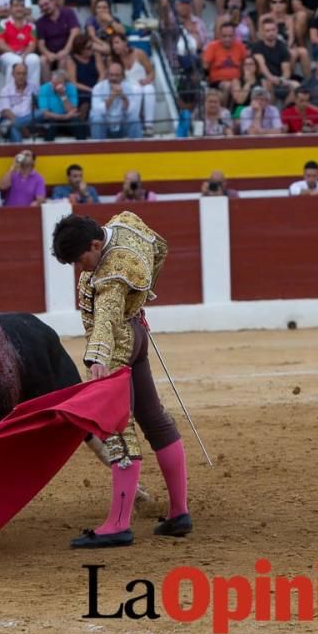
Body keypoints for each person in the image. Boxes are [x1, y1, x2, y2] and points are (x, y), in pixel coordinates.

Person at [51, 212, 192, 548]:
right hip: (138, 332)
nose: (81, 268)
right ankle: (179, 512)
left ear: (96, 244)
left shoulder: (112, 275)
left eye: (82, 259)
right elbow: (160, 247)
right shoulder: (127, 223)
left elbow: (107, 318)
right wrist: (141, 297)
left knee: (116, 428)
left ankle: (118, 524)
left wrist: (98, 356)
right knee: (154, 418)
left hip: (118, 344)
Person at [0, 0, 41, 89]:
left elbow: (32, 46)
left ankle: (33, 94)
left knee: (34, 59)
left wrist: (24, 55)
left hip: (24, 54)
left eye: (22, 6)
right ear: (10, 8)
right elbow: (0, 45)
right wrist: (16, 54)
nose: (19, 8)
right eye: (16, 6)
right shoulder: (2, 24)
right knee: (15, 61)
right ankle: (11, 94)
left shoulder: (31, 26)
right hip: (6, 55)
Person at [110, 33, 156, 136]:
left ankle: (149, 126)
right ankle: (135, 123)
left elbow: (151, 72)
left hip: (143, 84)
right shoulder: (113, 60)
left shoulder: (139, 53)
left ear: (125, 42)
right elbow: (111, 79)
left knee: (149, 89)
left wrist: (146, 80)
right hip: (127, 88)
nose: (114, 46)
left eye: (117, 42)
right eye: (112, 44)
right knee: (136, 90)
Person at [90, 62, 142, 139]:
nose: (113, 78)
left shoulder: (129, 88)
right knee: (97, 119)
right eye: (111, 75)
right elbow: (98, 111)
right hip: (105, 126)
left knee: (134, 119)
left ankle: (137, 149)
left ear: (122, 76)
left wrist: (123, 96)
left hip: (121, 125)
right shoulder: (98, 88)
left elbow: (132, 112)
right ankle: (97, 148)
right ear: (107, 75)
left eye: (117, 75)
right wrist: (111, 97)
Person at [35, 0, 81, 77]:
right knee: (42, 60)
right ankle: (47, 88)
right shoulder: (40, 22)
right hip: (51, 55)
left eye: (46, 4)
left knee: (63, 59)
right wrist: (48, 54)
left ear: (54, 1)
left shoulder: (68, 12)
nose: (45, 7)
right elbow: (41, 44)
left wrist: (66, 50)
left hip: (69, 51)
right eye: (41, 6)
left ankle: (60, 86)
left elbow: (75, 31)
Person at [38, 69, 86, 141]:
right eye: (53, 83)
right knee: (50, 126)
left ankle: (82, 148)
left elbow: (72, 110)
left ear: (64, 83)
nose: (54, 86)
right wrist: (64, 117)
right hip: (52, 118)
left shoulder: (71, 88)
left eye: (58, 83)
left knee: (77, 123)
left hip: (68, 119)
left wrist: (63, 95)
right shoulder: (44, 88)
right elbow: (45, 113)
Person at [202, 22, 247, 95]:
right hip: (217, 82)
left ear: (234, 36)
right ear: (219, 36)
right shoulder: (212, 47)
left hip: (237, 81)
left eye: (230, 36)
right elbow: (205, 67)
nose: (227, 39)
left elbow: (245, 65)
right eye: (224, 36)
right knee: (229, 86)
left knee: (236, 84)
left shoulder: (240, 46)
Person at [0, 62, 35, 143]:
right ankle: (20, 150)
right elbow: (6, 112)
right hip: (10, 120)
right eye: (18, 74)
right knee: (13, 127)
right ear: (13, 74)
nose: (21, 76)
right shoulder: (6, 90)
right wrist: (21, 126)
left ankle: (19, 152)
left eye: (24, 74)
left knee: (42, 113)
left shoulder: (33, 88)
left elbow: (36, 108)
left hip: (29, 121)